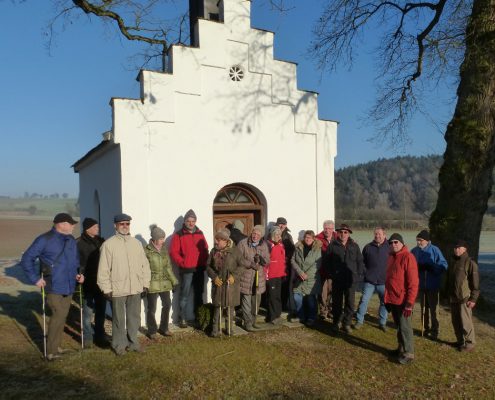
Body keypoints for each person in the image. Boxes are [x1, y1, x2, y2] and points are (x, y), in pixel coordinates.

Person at [20, 213, 84, 361]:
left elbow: (75, 261)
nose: (74, 226)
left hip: (69, 285)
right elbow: (27, 259)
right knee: (58, 315)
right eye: (71, 223)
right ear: (61, 224)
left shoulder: (71, 240)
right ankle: (51, 352)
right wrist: (35, 279)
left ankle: (57, 347)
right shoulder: (44, 239)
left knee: (62, 316)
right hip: (53, 285)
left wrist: (78, 274)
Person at [97, 213, 151, 355]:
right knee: (118, 319)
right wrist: (106, 289)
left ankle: (133, 343)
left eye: (127, 224)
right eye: (122, 224)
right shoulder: (108, 245)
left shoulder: (136, 243)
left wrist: (145, 283)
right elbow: (103, 269)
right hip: (117, 288)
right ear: (115, 225)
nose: (125, 226)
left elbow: (144, 265)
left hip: (135, 287)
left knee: (134, 318)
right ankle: (119, 345)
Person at [169, 209, 209, 328]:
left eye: (193, 221)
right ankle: (182, 318)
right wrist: (182, 263)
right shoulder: (178, 234)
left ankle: (199, 318)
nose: (191, 223)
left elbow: (205, 248)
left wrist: (205, 261)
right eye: (188, 221)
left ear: (195, 221)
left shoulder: (200, 233)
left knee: (199, 294)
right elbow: (173, 252)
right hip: (186, 270)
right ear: (185, 221)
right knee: (184, 295)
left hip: (199, 269)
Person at [384, 233, 419, 365]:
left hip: (404, 300)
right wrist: (386, 298)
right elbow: (389, 279)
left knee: (405, 327)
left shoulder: (408, 257)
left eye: (396, 242)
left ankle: (409, 353)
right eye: (391, 242)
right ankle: (401, 348)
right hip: (393, 298)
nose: (393, 245)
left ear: (402, 243)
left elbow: (413, 282)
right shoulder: (391, 257)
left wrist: (409, 303)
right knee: (398, 326)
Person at [325, 224, 364, 333]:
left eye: (345, 232)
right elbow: (326, 262)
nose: (343, 234)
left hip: (350, 280)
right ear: (337, 233)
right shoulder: (333, 245)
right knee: (337, 303)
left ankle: (346, 323)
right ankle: (336, 323)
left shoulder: (354, 246)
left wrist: (358, 274)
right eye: (341, 232)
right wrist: (332, 274)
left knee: (350, 304)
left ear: (349, 233)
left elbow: (360, 261)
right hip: (337, 280)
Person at [206, 228, 244, 337]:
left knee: (230, 307)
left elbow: (242, 266)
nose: (216, 242)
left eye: (218, 240)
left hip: (231, 285)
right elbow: (208, 266)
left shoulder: (235, 251)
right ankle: (215, 331)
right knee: (218, 307)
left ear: (225, 240)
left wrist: (234, 276)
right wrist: (214, 277)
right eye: (216, 239)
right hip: (218, 284)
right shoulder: (214, 251)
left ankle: (229, 330)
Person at [411, 229, 448, 339]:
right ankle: (425, 329)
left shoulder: (435, 250)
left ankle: (435, 331)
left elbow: (444, 265)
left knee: (433, 310)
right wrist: (417, 267)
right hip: (421, 285)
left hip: (432, 285)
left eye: (420, 240)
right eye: (417, 240)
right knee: (423, 309)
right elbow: (409, 264)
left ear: (427, 240)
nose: (418, 242)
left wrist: (432, 267)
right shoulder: (414, 251)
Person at [144, 225, 178, 340]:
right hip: (152, 283)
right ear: (154, 239)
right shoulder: (146, 251)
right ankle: (152, 330)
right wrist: (143, 285)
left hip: (164, 283)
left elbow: (168, 267)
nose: (163, 241)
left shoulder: (164, 250)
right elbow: (143, 269)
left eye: (163, 238)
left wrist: (174, 281)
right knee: (151, 308)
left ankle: (164, 328)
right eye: (161, 238)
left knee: (167, 305)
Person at [77, 217, 106, 348]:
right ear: (88, 228)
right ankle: (88, 338)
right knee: (87, 313)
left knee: (101, 311)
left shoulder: (102, 241)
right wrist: (79, 274)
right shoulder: (78, 243)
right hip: (86, 282)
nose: (98, 228)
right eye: (95, 227)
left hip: (101, 282)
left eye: (97, 226)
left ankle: (100, 336)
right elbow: (76, 262)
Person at [354, 227, 389, 331]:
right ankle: (359, 321)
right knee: (364, 300)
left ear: (384, 235)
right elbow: (362, 262)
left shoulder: (390, 247)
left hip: (383, 281)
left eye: (379, 234)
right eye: (375, 234)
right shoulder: (368, 247)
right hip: (370, 281)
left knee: (384, 302)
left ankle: (382, 323)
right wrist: (365, 272)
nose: (377, 236)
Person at [447, 239, 480, 352]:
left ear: (465, 249)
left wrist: (473, 299)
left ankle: (470, 343)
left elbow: (475, 283)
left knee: (466, 322)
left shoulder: (470, 263)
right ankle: (460, 341)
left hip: (465, 298)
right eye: (455, 247)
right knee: (455, 321)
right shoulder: (453, 261)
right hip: (453, 297)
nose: (456, 249)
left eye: (459, 247)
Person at [237, 225, 270, 332]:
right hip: (245, 277)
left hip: (258, 278)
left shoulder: (264, 245)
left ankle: (253, 321)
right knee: (246, 302)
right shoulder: (243, 243)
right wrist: (250, 264)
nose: (255, 236)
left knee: (256, 302)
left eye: (258, 234)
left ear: (261, 236)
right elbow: (238, 259)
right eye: (254, 233)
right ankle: (247, 323)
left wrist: (261, 260)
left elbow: (267, 260)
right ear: (251, 233)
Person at [291, 230, 322, 326]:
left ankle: (311, 317)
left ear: (313, 239)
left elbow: (317, 264)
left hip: (311, 278)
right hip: (299, 277)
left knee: (311, 299)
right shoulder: (298, 247)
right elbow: (292, 260)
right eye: (306, 237)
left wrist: (306, 274)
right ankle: (301, 316)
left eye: (309, 238)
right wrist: (300, 272)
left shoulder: (317, 249)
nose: (307, 239)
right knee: (296, 297)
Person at [316, 220, 337, 320]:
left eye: (329, 228)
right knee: (323, 293)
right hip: (323, 270)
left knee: (332, 292)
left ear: (333, 229)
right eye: (325, 228)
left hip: (334, 271)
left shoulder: (338, 237)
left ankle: (331, 310)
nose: (327, 230)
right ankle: (323, 311)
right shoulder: (318, 238)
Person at [266, 227, 287, 324]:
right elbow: (266, 261)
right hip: (271, 275)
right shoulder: (268, 245)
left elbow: (282, 260)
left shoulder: (281, 245)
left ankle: (278, 315)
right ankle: (272, 317)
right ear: (272, 235)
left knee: (278, 296)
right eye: (276, 235)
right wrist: (266, 274)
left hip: (280, 275)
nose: (278, 236)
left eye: (279, 235)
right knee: (272, 296)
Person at [275, 217, 295, 315]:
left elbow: (292, 250)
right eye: (280, 224)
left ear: (286, 225)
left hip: (285, 265)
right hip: (275, 265)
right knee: (276, 285)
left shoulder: (288, 236)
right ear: (277, 224)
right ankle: (276, 306)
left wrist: (286, 259)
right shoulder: (272, 234)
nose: (282, 226)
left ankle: (283, 305)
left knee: (285, 285)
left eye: (283, 224)